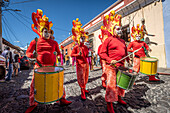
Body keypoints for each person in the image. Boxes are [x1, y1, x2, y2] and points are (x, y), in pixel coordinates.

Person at [25, 9, 71, 113]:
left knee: (58, 83)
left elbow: (59, 53)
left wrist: (57, 55)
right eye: (45, 31)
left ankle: (62, 99)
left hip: (52, 66)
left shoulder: (54, 42)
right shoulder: (35, 41)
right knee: (34, 84)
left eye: (49, 32)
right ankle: (33, 103)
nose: (47, 33)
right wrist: (33, 55)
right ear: (41, 31)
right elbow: (27, 53)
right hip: (39, 66)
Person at [99, 10, 130, 113]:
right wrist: (109, 60)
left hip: (121, 66)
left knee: (120, 85)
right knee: (111, 86)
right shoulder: (108, 40)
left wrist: (128, 60)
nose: (120, 30)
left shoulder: (122, 41)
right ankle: (109, 104)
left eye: (121, 29)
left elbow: (125, 52)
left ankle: (120, 98)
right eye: (118, 29)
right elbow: (102, 53)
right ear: (113, 30)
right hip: (111, 67)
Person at [71, 18, 89, 100]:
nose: (83, 39)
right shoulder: (76, 47)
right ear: (78, 38)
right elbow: (72, 54)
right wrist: (77, 55)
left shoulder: (85, 47)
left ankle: (84, 87)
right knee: (81, 78)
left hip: (86, 64)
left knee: (85, 77)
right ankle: (82, 90)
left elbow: (86, 55)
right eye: (81, 38)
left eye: (83, 37)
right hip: (80, 65)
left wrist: (89, 55)